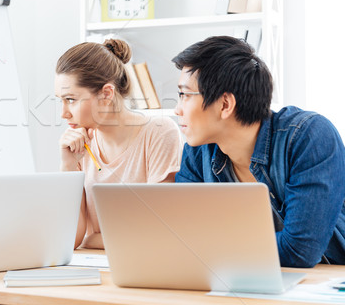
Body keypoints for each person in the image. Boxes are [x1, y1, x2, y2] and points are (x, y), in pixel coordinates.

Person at [173, 35, 345, 268]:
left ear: (225, 104)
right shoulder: (197, 151)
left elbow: (299, 251)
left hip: (327, 283)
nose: (177, 109)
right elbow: (183, 236)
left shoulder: (308, 137)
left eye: (184, 95)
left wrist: (212, 246)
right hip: (250, 278)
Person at [55, 38, 183, 249]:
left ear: (106, 94)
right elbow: (68, 239)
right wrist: (67, 166)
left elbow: (158, 231)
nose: (63, 113)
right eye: (60, 100)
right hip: (93, 267)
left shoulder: (159, 132)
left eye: (71, 99)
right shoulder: (80, 145)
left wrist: (94, 239)